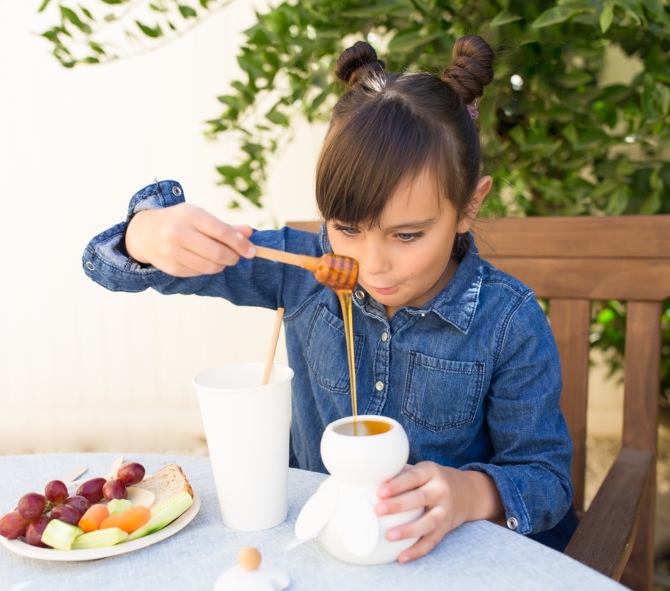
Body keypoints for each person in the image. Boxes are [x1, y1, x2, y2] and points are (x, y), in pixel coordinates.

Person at [82, 35, 576, 561]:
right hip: (320, 551)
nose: (371, 263)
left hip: (447, 565)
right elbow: (112, 267)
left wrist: (469, 493)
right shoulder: (301, 271)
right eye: (347, 228)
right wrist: (148, 234)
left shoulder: (507, 322)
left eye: (407, 235)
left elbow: (546, 479)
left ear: (469, 206)